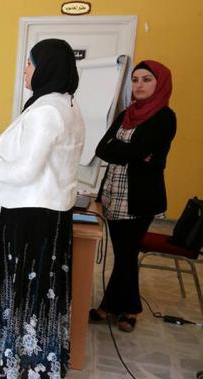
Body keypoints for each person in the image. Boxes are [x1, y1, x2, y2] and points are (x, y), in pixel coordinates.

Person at [0, 38, 85, 379]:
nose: (25, 70)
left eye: (30, 64)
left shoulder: (47, 112)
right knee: (38, 292)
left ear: (47, 68)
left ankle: (20, 367)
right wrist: (1, 163)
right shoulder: (66, 106)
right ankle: (31, 365)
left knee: (25, 292)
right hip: (48, 213)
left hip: (31, 214)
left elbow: (25, 172)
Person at [90, 60, 176, 333]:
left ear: (159, 83)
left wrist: (128, 149)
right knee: (123, 253)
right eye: (135, 79)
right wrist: (135, 152)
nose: (138, 85)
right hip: (114, 195)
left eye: (146, 79)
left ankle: (121, 308)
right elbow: (102, 148)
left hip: (140, 199)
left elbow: (139, 149)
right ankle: (120, 306)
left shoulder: (164, 116)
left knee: (126, 254)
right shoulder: (126, 114)